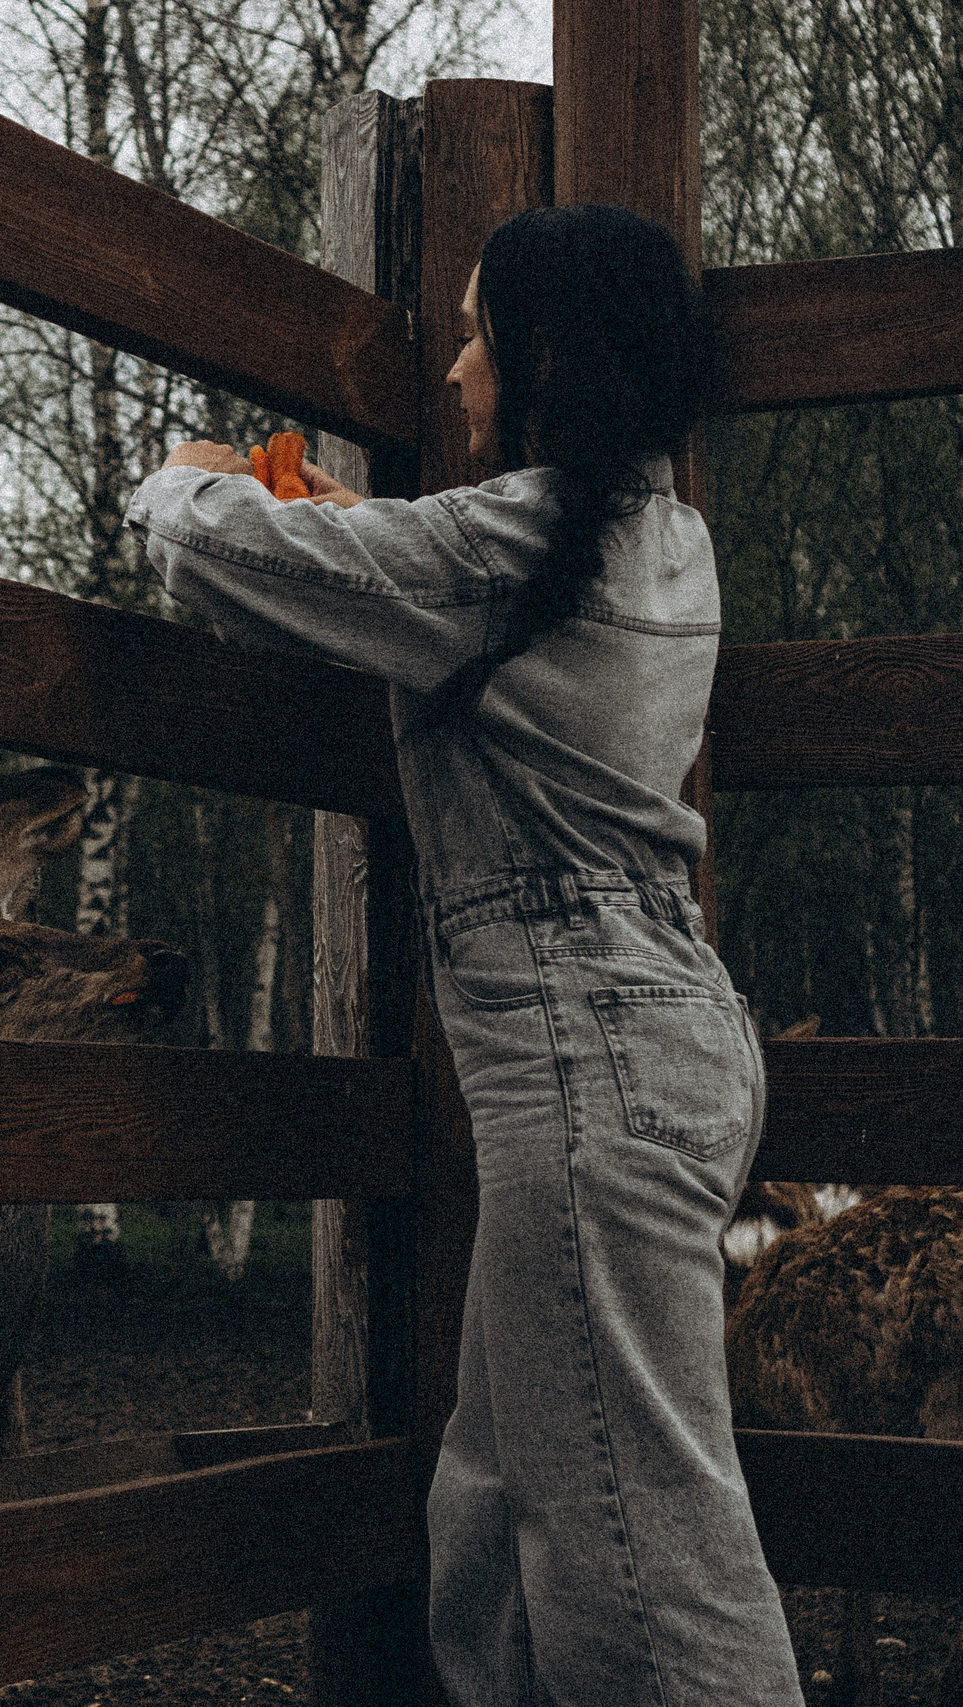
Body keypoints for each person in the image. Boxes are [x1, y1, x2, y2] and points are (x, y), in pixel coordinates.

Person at [127, 203, 803, 1707]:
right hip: (659, 1041)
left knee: (646, 1557)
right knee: (495, 1507)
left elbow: (198, 545)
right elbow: (433, 573)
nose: (456, 372)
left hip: (590, 1068)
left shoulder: (504, 554)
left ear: (548, 356)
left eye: (482, 332)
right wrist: (358, 523)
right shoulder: (659, 531)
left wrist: (202, 470)